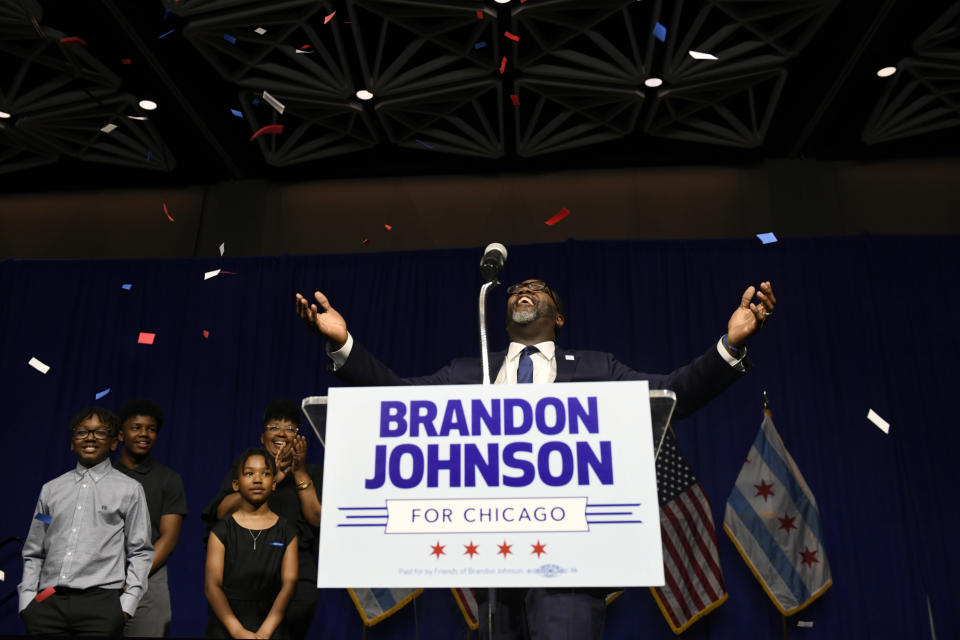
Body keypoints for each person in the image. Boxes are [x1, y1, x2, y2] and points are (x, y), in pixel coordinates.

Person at [294, 277, 776, 640]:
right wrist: (344, 345)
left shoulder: (597, 368)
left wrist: (729, 345)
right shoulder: (468, 372)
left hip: (569, 565)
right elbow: (397, 403)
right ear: (503, 318)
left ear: (558, 317)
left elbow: (674, 395)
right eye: (517, 289)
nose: (524, 290)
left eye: (537, 289)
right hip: (488, 569)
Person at [18, 406, 154, 638]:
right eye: (82, 432)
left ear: (113, 443)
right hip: (48, 598)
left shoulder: (129, 490)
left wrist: (125, 607)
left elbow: (140, 552)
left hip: (101, 603)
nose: (90, 438)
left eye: (100, 432)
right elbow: (34, 550)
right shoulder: (51, 490)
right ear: (72, 442)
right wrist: (28, 601)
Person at [201, 399, 323, 640]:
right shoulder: (244, 466)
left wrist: (298, 471)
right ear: (262, 436)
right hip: (242, 579)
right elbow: (221, 512)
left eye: (290, 428)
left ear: (298, 437)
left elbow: (318, 518)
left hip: (295, 580)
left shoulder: (313, 472)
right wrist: (271, 477)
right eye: (274, 426)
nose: (281, 433)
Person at [114, 399, 189, 637]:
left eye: (151, 429)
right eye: (136, 427)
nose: (144, 434)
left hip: (149, 578)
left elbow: (168, 538)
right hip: (101, 579)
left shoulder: (169, 479)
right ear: (121, 434)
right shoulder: (102, 475)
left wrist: (133, 578)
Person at [205, 448, 298, 639]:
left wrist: (265, 631)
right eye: (249, 473)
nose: (257, 479)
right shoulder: (221, 531)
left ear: (273, 483)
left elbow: (289, 584)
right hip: (227, 623)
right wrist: (237, 630)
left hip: (272, 623)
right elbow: (212, 585)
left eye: (265, 473)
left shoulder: (287, 531)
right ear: (236, 484)